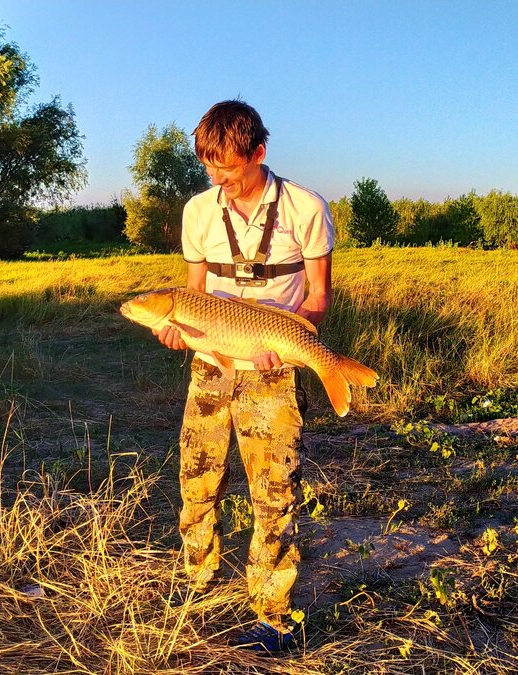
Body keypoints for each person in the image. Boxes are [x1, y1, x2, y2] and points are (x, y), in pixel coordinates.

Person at [153, 99, 334, 654]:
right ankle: (197, 583)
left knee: (274, 490)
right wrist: (176, 329)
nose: (218, 179)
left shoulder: (306, 208)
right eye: (209, 167)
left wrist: (292, 339)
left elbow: (319, 296)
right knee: (197, 480)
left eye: (227, 167)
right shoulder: (198, 212)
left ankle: (275, 614)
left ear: (258, 152)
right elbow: (194, 296)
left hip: (274, 366)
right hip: (211, 364)